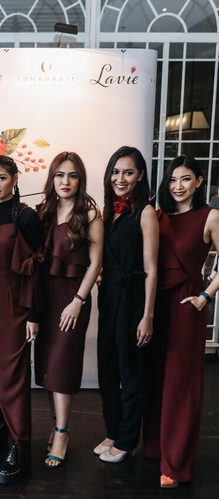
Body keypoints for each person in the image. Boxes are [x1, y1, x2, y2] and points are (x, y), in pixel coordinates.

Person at [142, 155, 219, 488]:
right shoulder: (157, 215)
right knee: (156, 377)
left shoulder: (210, 216)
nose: (178, 186)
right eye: (173, 179)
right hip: (155, 305)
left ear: (199, 182)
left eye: (186, 179)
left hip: (187, 306)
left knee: (180, 384)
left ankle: (175, 464)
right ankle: (155, 447)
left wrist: (206, 296)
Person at [34, 151, 103, 467]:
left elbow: (96, 263)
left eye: (72, 175)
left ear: (80, 180)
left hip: (72, 296)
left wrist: (78, 300)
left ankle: (62, 432)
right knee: (48, 366)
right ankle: (56, 424)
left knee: (62, 365)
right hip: (45, 296)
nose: (65, 181)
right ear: (52, 178)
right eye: (60, 175)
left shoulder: (89, 214)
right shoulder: (43, 211)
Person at [0, 155, 42, 484]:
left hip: (16, 304)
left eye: (1, 178)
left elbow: (37, 269)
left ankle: (18, 444)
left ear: (15, 179)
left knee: (14, 374)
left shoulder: (27, 216)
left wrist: (33, 315)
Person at [95, 146, 158, 463]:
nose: (120, 179)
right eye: (116, 172)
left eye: (128, 172)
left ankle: (127, 439)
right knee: (106, 367)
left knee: (130, 370)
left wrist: (148, 316)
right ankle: (113, 430)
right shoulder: (109, 211)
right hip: (109, 296)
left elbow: (151, 267)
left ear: (140, 176)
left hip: (133, 297)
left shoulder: (145, 212)